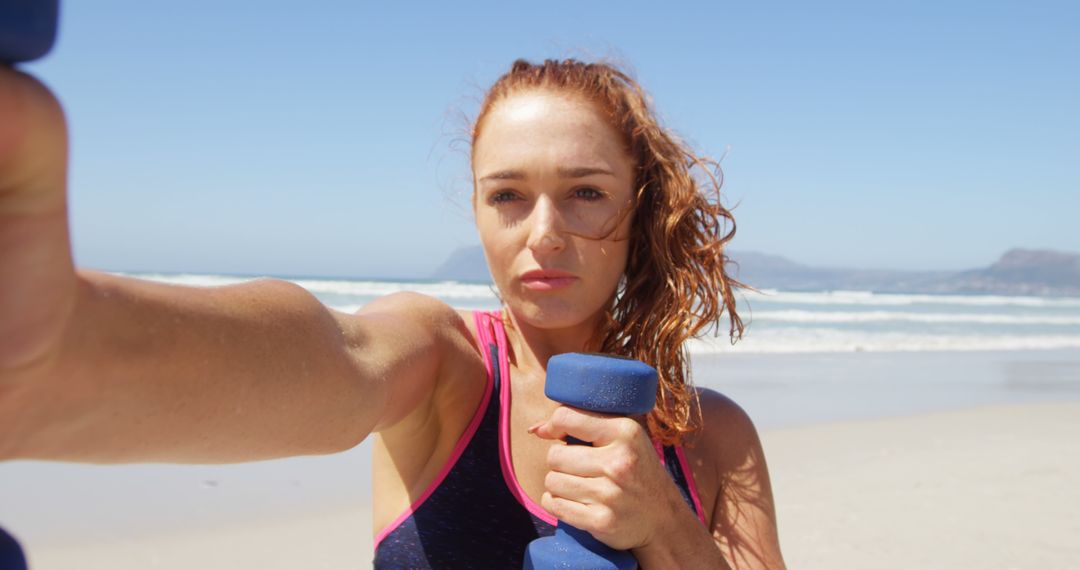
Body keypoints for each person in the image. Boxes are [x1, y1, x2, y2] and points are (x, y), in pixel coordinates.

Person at [0, 58, 785, 568]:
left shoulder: (714, 438)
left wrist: (664, 525)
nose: (543, 233)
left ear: (638, 211)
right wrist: (63, 352)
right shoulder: (444, 363)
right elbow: (334, 358)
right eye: (507, 195)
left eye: (585, 193)